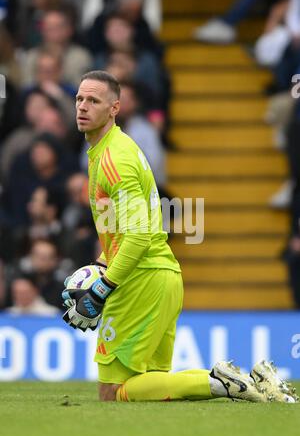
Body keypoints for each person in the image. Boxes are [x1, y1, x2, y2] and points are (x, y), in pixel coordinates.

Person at [61, 70, 298, 403]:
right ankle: (248, 380)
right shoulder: (112, 149)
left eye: (93, 101)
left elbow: (139, 235)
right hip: (160, 276)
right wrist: (101, 265)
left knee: (112, 392)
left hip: (140, 280)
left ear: (115, 108)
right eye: (79, 99)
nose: (83, 107)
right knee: (152, 383)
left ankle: (221, 383)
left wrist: (103, 286)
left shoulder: (115, 159)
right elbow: (125, 228)